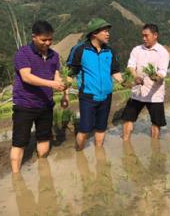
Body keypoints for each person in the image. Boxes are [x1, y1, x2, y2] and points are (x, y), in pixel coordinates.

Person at [10, 20, 66, 174]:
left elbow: (56, 77)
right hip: (25, 105)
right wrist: (51, 84)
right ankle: (16, 177)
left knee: (44, 138)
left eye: (50, 40)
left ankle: (43, 170)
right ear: (34, 37)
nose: (47, 43)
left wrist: (62, 85)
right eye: (43, 40)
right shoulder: (23, 53)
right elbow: (26, 77)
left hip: (46, 105)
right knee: (19, 142)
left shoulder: (54, 56)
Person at [66, 18, 122, 150]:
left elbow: (115, 72)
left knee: (101, 128)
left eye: (108, 31)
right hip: (88, 97)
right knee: (84, 130)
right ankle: (79, 152)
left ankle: (99, 154)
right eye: (105, 31)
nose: (108, 34)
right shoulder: (79, 50)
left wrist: (128, 82)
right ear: (94, 33)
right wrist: (65, 93)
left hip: (107, 96)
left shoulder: (109, 51)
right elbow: (70, 73)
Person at [121, 24, 170, 140]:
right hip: (137, 92)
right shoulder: (136, 50)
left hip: (155, 94)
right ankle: (126, 142)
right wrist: (135, 77)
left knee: (156, 122)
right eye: (142, 36)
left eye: (146, 36)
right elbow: (131, 66)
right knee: (128, 118)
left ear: (155, 35)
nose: (144, 38)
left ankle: (155, 147)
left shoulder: (162, 52)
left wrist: (156, 77)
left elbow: (163, 72)